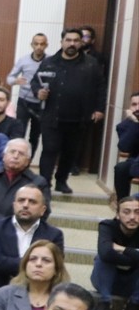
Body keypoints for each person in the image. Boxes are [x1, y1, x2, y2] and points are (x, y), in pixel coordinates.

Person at [32, 28, 107, 193]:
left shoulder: (91, 64)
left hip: (78, 118)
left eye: (76, 40)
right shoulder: (49, 62)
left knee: (69, 152)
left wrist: (99, 109)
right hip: (52, 116)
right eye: (68, 40)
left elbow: (100, 87)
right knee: (49, 150)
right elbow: (35, 82)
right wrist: (38, 92)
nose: (72, 43)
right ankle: (44, 184)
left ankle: (61, 181)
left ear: (80, 43)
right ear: (62, 42)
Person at [0, 184, 64, 310]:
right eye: (21, 200)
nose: (25, 205)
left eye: (32, 202)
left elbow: (54, 267)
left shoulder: (54, 235)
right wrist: (31, 264)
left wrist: (9, 262)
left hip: (38, 294)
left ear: (43, 210)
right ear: (14, 205)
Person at [90, 192, 139, 310]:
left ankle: (133, 304)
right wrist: (135, 255)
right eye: (126, 212)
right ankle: (105, 302)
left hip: (133, 284)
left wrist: (122, 249)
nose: (132, 217)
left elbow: (111, 252)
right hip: (104, 281)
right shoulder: (107, 226)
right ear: (117, 215)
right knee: (102, 258)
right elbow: (105, 253)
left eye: (137, 212)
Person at [6, 32, 50, 152]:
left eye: (42, 44)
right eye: (36, 44)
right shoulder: (23, 60)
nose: (39, 47)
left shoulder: (50, 61)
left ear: (46, 45)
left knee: (35, 135)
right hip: (24, 102)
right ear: (32, 45)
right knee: (19, 132)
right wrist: (16, 80)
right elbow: (8, 79)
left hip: (41, 103)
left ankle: (28, 161)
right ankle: (16, 157)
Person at [112, 90, 139, 201]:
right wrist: (135, 123)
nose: (137, 108)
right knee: (121, 168)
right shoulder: (124, 125)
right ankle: (123, 206)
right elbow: (124, 147)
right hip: (135, 161)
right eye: (134, 105)